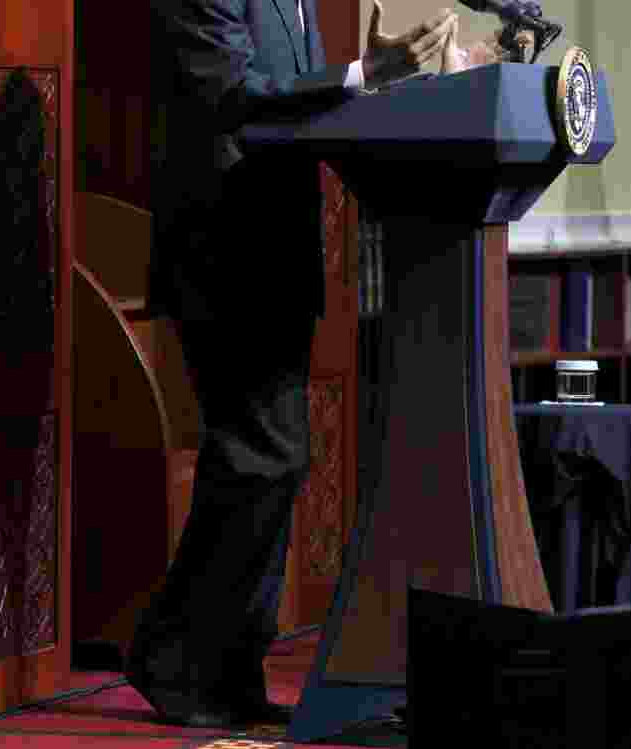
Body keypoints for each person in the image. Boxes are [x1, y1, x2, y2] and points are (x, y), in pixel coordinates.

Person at [128, 0, 456, 729]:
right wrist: (359, 73)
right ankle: (172, 653)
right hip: (221, 249)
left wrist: (371, 91)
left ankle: (225, 669)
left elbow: (300, 100)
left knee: (273, 457)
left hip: (276, 247)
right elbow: (228, 94)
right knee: (261, 456)